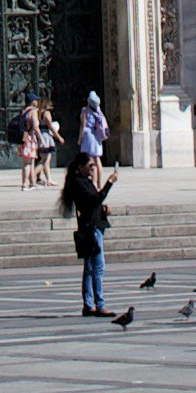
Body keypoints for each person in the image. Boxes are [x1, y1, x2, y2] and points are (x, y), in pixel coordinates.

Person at [63, 129, 117, 318]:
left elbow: (92, 202)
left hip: (92, 225)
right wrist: (109, 183)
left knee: (90, 268)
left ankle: (88, 304)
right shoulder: (79, 183)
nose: (93, 168)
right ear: (81, 166)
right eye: (90, 165)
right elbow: (93, 200)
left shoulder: (83, 180)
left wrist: (102, 208)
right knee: (98, 267)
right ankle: (99, 303)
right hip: (91, 228)